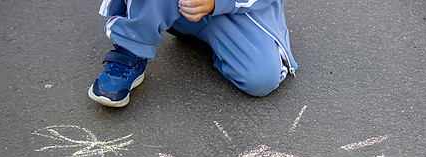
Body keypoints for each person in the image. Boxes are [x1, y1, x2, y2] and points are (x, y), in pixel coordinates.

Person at [88, 0, 298, 107]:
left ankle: (207, 39)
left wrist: (217, 3)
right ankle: (131, 50)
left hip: (235, 8)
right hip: (183, 4)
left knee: (261, 78)